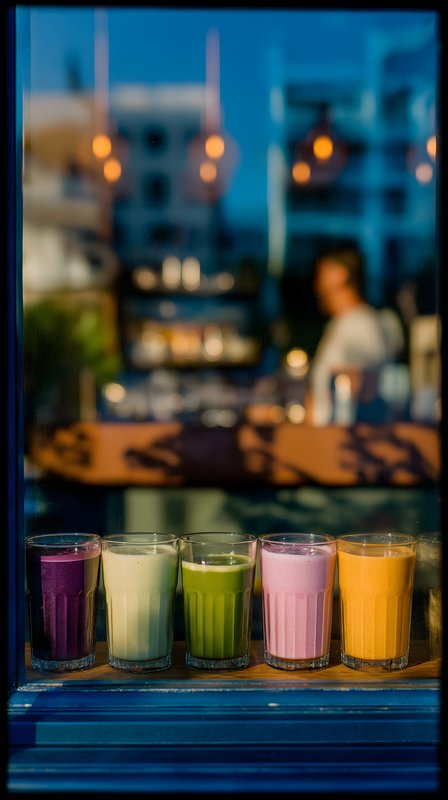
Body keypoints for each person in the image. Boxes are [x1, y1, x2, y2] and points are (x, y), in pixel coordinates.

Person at [307, 245, 404, 426]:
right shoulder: (343, 323)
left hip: (343, 442)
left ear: (339, 275)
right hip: (335, 440)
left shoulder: (359, 323)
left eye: (321, 274)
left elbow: (364, 386)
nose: (317, 285)